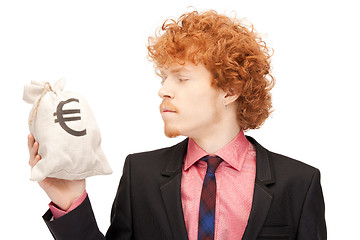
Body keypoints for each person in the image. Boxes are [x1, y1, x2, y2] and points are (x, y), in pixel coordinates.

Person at [27, 10, 326, 240]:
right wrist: (70, 201)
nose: (163, 90)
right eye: (164, 78)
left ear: (230, 91)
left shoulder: (299, 183)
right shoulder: (139, 176)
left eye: (182, 78)